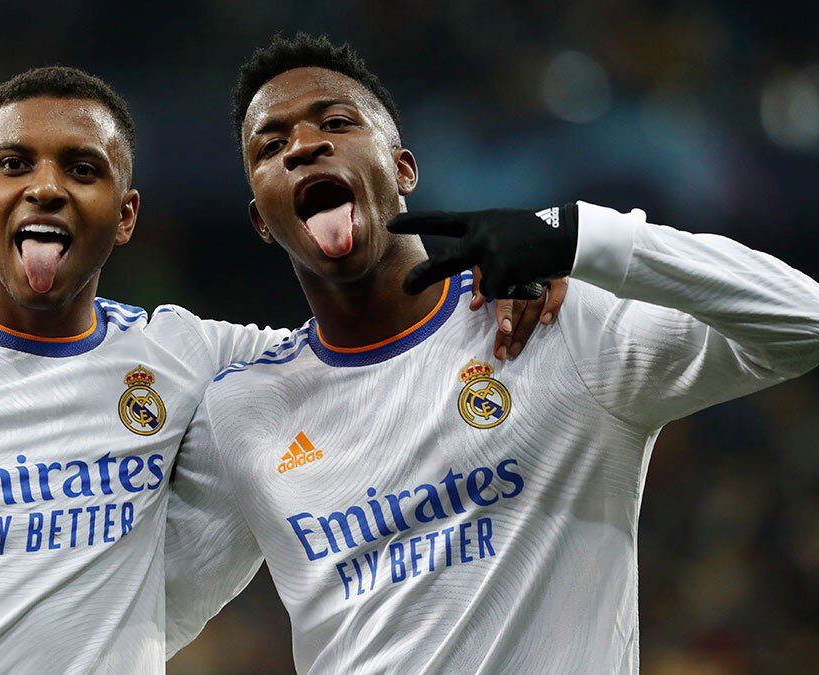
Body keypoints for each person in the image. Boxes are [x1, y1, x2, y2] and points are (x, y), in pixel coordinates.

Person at [0, 66, 548, 673]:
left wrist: (517, 262)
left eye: (82, 169)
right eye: (15, 164)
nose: (47, 187)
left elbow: (359, 342)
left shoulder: (186, 358)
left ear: (124, 215)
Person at [165, 33, 819, 674]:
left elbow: (804, 321)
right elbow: (148, 614)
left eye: (336, 122)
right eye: (271, 145)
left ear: (403, 168)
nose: (304, 145)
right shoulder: (243, 411)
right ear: (262, 219)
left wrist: (580, 235)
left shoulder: (559, 322)